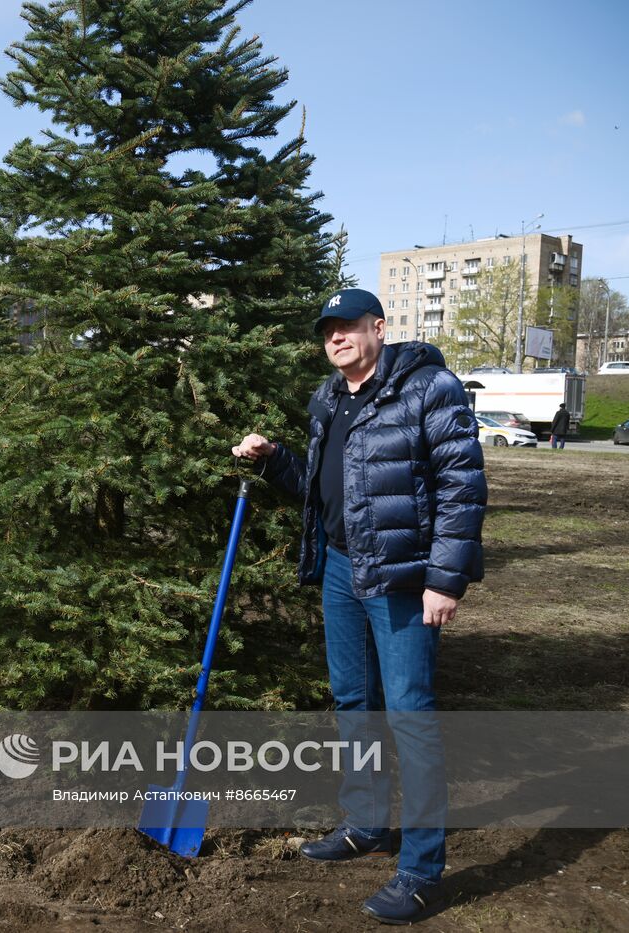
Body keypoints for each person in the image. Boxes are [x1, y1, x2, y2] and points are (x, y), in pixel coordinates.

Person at [232, 288, 486, 924]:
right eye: (328, 331)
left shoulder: (430, 388)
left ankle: (422, 871)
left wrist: (445, 580)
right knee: (353, 701)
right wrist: (274, 460)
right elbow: (319, 489)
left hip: (403, 580)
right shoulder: (328, 398)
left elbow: (463, 488)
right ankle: (364, 824)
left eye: (348, 327)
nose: (337, 338)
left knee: (411, 715)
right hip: (343, 571)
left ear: (379, 327)